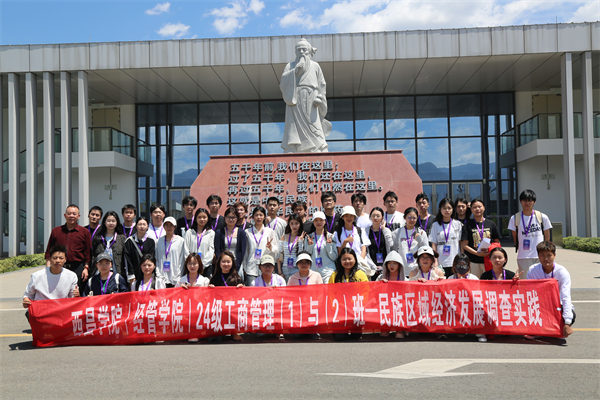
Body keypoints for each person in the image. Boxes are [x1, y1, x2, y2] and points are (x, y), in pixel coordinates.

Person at [280, 38, 330, 153]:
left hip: (311, 99)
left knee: (313, 123)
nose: (301, 52)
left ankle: (319, 146)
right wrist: (295, 71)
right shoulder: (290, 66)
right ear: (295, 52)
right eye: (299, 50)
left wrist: (320, 97)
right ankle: (293, 147)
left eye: (304, 50)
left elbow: (322, 84)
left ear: (309, 51)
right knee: (294, 125)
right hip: (295, 99)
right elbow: (283, 82)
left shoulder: (315, 66)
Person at [527, 241, 574, 339]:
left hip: (557, 306)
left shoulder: (562, 272)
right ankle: (536, 329)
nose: (546, 258)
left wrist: (567, 322)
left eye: (549, 255)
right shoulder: (532, 270)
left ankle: (555, 327)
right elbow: (529, 293)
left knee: (567, 322)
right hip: (540, 306)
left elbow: (565, 296)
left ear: (554, 255)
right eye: (542, 255)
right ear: (538, 256)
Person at [23, 245, 79, 317]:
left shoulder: (72, 276)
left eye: (61, 258)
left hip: (61, 310)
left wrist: (77, 295)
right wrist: (26, 300)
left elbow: (73, 299)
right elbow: (28, 295)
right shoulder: (37, 276)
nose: (58, 261)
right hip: (41, 311)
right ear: (50, 259)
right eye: (55, 258)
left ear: (65, 259)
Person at [45, 204, 92, 290]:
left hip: (77, 268)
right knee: (58, 291)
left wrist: (86, 268)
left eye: (74, 214)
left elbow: (87, 253)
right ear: (65, 215)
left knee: (76, 292)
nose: (71, 216)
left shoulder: (84, 232)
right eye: (69, 213)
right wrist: (48, 269)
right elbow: (49, 252)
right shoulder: (56, 231)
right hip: (58, 266)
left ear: (79, 216)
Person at [508, 189, 552, 280]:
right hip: (523, 256)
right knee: (525, 282)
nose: (527, 203)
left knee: (540, 280)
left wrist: (545, 252)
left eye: (530, 200)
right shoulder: (515, 218)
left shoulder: (542, 217)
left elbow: (547, 237)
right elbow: (515, 237)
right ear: (521, 201)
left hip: (540, 255)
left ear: (534, 202)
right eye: (524, 200)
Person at [328, 248, 368, 341]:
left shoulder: (360, 274)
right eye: (344, 259)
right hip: (340, 310)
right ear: (340, 260)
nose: (347, 262)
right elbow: (330, 292)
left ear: (355, 259)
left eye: (350, 259)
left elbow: (366, 291)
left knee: (355, 336)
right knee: (339, 337)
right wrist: (334, 307)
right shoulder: (335, 274)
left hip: (355, 310)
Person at [461, 199, 501, 278]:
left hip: (489, 260)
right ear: (471, 209)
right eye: (474, 207)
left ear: (484, 208)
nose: (477, 209)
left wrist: (491, 252)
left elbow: (497, 242)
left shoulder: (491, 224)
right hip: (473, 261)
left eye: (479, 206)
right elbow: (465, 245)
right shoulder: (467, 225)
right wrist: (477, 253)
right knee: (475, 282)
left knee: (489, 282)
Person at [209, 251, 244, 342]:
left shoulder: (237, 278)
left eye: (228, 262)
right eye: (223, 261)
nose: (226, 264)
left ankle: (234, 332)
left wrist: (241, 289)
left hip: (233, 305)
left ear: (232, 263)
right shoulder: (214, 278)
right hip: (219, 305)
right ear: (219, 263)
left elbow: (242, 297)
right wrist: (210, 288)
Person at [244, 206, 279, 287]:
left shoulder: (270, 231)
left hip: (266, 268)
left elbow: (276, 250)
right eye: (256, 215)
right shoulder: (247, 232)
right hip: (251, 269)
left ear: (264, 217)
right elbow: (246, 252)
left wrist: (270, 248)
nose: (259, 217)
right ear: (253, 217)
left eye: (261, 215)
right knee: (252, 293)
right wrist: (245, 268)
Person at [333, 206, 371, 276]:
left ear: (354, 217)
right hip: (345, 264)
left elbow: (363, 248)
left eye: (351, 216)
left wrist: (359, 261)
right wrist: (345, 242)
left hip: (359, 264)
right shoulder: (337, 233)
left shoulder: (360, 230)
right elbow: (339, 252)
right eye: (346, 216)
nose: (349, 218)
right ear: (342, 217)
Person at [429, 198, 463, 277]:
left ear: (453, 209)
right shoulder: (435, 225)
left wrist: (462, 258)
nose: (447, 210)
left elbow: (461, 243)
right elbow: (434, 245)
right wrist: (435, 260)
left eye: (449, 208)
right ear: (440, 209)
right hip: (441, 261)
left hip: (455, 261)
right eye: (444, 208)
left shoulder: (458, 224)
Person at [376, 251, 406, 339]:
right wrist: (380, 285)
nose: (391, 266)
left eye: (394, 263)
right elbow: (375, 293)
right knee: (383, 334)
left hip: (399, 307)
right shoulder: (380, 278)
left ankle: (400, 329)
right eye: (389, 263)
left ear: (399, 265)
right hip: (386, 307)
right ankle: (386, 326)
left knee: (399, 336)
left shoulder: (405, 279)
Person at [392, 207, 429, 277]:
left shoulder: (421, 232)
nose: (412, 220)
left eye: (414, 218)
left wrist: (420, 240)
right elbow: (393, 250)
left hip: (417, 269)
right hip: (401, 269)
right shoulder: (397, 233)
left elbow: (426, 250)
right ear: (404, 218)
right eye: (409, 217)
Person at [91, 211, 126, 280]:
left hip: (116, 272)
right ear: (104, 222)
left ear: (117, 223)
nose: (111, 223)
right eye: (109, 221)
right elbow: (93, 255)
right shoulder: (97, 238)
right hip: (99, 272)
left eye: (113, 221)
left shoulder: (122, 238)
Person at [214, 207, 248, 278]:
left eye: (233, 217)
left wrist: (236, 266)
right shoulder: (219, 232)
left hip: (236, 265)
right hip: (223, 265)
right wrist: (221, 263)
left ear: (237, 218)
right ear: (225, 218)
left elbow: (242, 251)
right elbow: (217, 250)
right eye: (228, 217)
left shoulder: (241, 233)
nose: (231, 219)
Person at [155, 216, 188, 288]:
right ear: (163, 227)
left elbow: (182, 260)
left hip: (176, 278)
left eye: (171, 225)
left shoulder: (180, 241)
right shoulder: (159, 241)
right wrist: (158, 274)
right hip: (161, 278)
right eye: (167, 225)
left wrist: (178, 275)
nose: (169, 227)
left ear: (175, 227)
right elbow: (156, 259)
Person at [305, 211, 337, 283]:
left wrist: (328, 246)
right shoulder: (309, 237)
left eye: (321, 220)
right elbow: (307, 256)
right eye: (316, 220)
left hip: (328, 272)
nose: (318, 222)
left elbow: (334, 257)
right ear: (313, 222)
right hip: (313, 271)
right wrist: (310, 246)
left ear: (325, 221)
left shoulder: (330, 236)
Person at [124, 216, 156, 286]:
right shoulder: (129, 241)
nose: (142, 226)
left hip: (147, 273)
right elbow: (127, 259)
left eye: (144, 224)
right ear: (136, 226)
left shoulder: (151, 241)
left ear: (147, 226)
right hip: (134, 275)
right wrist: (131, 276)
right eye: (140, 224)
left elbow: (151, 258)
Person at [184, 207, 215, 278]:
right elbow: (186, 249)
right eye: (199, 217)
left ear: (208, 218)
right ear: (195, 218)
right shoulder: (189, 232)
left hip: (206, 267)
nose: (202, 219)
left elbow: (211, 250)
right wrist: (192, 263)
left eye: (204, 217)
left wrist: (201, 265)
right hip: (191, 267)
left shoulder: (211, 233)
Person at [364, 207, 394, 280]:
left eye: (378, 216)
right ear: (370, 217)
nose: (375, 218)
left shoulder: (386, 230)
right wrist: (373, 266)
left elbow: (391, 244)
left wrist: (384, 229)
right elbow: (365, 251)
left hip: (386, 266)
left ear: (382, 218)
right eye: (373, 215)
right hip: (371, 267)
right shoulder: (365, 231)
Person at [278, 213, 305, 281]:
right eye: (292, 223)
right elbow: (279, 255)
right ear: (289, 224)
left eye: (296, 223)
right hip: (285, 269)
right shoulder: (284, 237)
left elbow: (300, 255)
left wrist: (300, 242)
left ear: (300, 224)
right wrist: (280, 272)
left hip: (297, 268)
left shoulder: (301, 238)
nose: (294, 226)